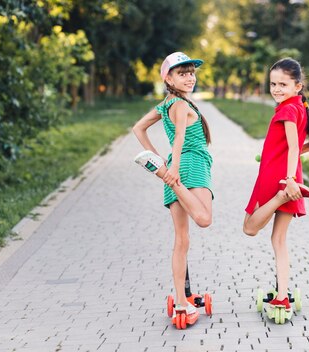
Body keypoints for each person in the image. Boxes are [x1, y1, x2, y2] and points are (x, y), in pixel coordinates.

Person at [242, 58, 309, 312]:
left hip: (278, 179)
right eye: (273, 84)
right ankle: (282, 295)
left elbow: (293, 146)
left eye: (283, 84)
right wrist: (292, 165)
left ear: (298, 86)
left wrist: (289, 179)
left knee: (250, 228)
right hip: (289, 176)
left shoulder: (287, 111)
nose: (276, 89)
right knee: (279, 239)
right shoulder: (301, 107)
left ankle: (281, 197)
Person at [132, 52, 213, 324]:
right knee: (203, 219)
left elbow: (138, 128)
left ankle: (181, 303)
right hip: (191, 165)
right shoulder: (179, 103)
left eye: (191, 72)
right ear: (168, 78)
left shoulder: (166, 103)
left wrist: (160, 161)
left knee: (182, 240)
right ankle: (168, 178)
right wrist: (173, 172)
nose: (189, 77)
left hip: (176, 165)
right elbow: (179, 136)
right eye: (182, 73)